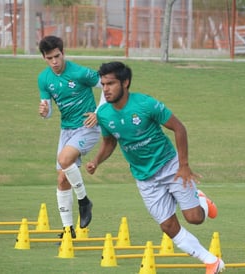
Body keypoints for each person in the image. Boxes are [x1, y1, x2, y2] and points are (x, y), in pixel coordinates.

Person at [85, 61, 225, 274]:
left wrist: (184, 165)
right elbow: (109, 142)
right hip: (144, 177)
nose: (105, 89)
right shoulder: (104, 113)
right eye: (103, 84)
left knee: (194, 218)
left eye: (110, 84)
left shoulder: (146, 104)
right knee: (168, 226)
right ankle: (212, 261)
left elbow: (179, 128)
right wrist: (96, 161)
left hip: (170, 166)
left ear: (125, 82)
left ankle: (202, 201)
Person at [37, 36, 105, 237]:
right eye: (50, 58)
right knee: (61, 179)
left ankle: (84, 201)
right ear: (44, 58)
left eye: (57, 56)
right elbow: (48, 110)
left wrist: (98, 113)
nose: (55, 62)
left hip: (88, 127)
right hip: (66, 130)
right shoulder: (44, 78)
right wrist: (44, 111)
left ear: (63, 53)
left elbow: (108, 85)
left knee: (64, 160)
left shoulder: (80, 72)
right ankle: (68, 230)